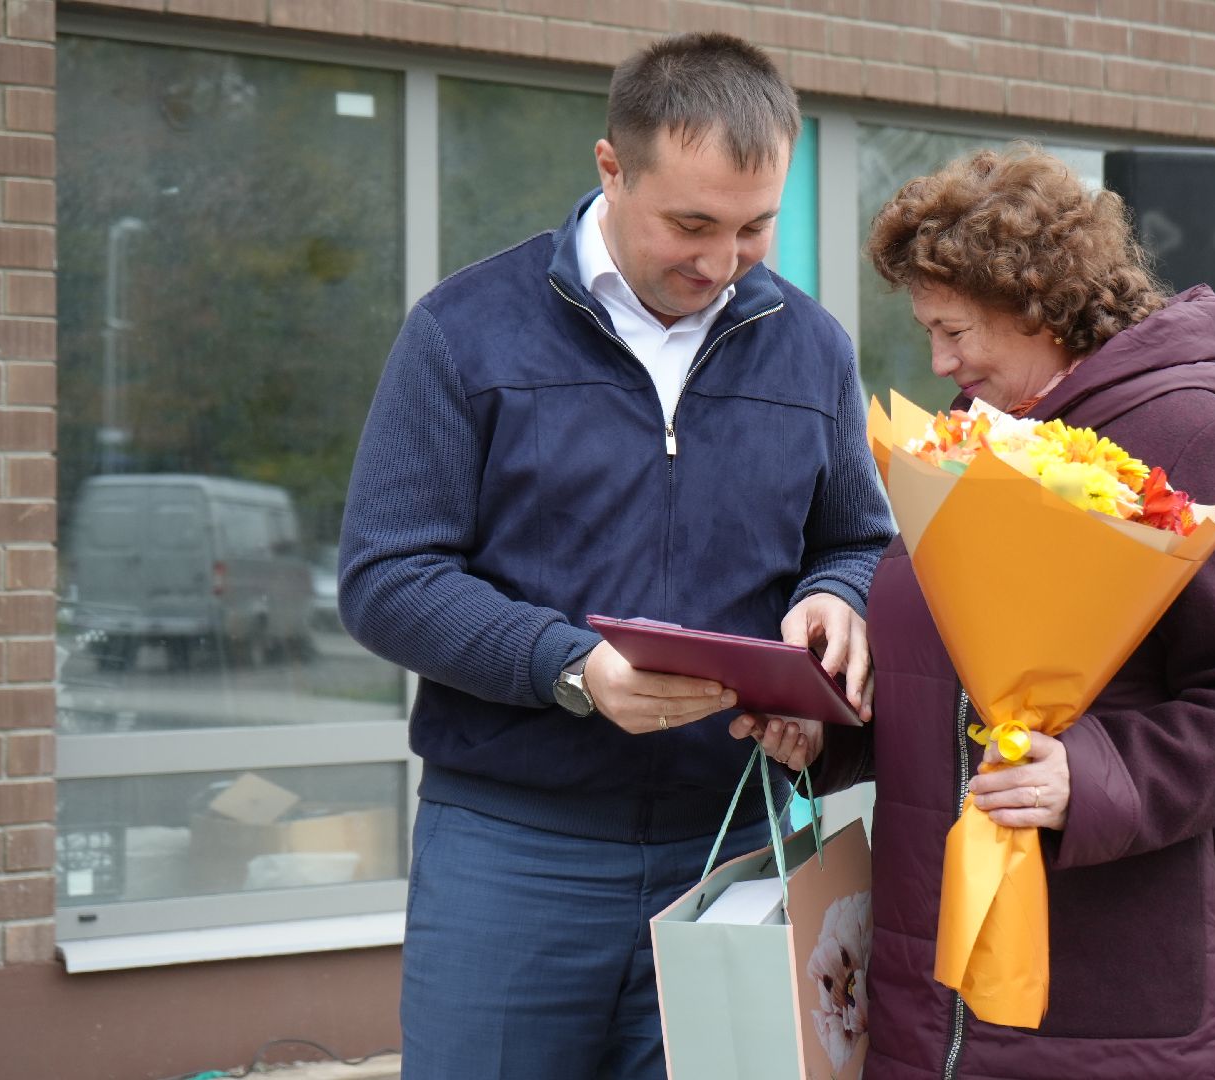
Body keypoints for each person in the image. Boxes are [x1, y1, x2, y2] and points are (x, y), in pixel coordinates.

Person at [339, 33, 893, 1080]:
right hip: (513, 850)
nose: (722, 261)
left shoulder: (814, 348)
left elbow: (859, 539)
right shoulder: (464, 334)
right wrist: (569, 667)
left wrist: (837, 599)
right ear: (610, 168)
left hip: (739, 846)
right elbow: (386, 577)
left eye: (754, 227)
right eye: (690, 223)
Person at [736, 145, 1215, 1078]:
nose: (939, 360)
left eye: (956, 329)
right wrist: (833, 729)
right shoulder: (981, 436)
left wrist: (1090, 778)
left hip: (1116, 995)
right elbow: (950, 673)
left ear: (1039, 307)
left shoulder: (1201, 439)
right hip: (942, 982)